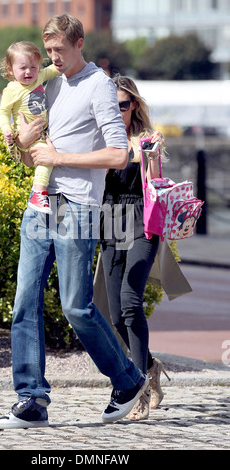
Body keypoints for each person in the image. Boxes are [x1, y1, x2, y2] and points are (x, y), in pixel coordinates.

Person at [0, 14, 149, 430]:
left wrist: (58, 157)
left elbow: (119, 155)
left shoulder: (99, 86)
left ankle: (129, 380)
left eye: (60, 50)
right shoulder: (50, 84)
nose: (53, 58)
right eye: (49, 52)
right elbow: (33, 154)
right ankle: (31, 400)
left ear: (79, 43)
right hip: (40, 203)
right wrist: (20, 145)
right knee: (24, 302)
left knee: (76, 307)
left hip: (77, 207)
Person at [97, 75, 171, 421]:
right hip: (109, 228)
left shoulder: (145, 140)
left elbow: (154, 186)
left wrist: (150, 156)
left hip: (142, 227)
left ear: (134, 106)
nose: (118, 110)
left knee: (130, 302)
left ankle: (138, 388)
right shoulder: (97, 139)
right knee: (115, 318)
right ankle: (151, 365)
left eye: (123, 105)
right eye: (112, 105)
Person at [0, 41, 60, 214]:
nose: (29, 72)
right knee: (45, 155)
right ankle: (38, 192)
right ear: (11, 70)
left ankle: (39, 192)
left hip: (42, 132)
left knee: (47, 153)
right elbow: (3, 113)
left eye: (33, 67)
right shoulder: (12, 90)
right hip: (28, 134)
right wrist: (6, 129)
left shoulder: (39, 77)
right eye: (23, 67)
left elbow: (56, 69)